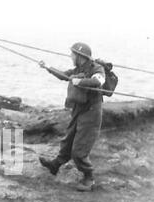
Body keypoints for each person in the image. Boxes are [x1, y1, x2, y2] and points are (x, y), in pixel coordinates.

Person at [38, 42, 106, 191]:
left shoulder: (97, 68)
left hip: (91, 111)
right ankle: (55, 165)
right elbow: (64, 75)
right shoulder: (78, 68)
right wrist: (47, 67)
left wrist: (81, 81)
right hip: (78, 109)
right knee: (68, 140)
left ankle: (89, 177)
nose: (71, 56)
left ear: (80, 56)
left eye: (72, 54)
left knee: (79, 149)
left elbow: (99, 81)